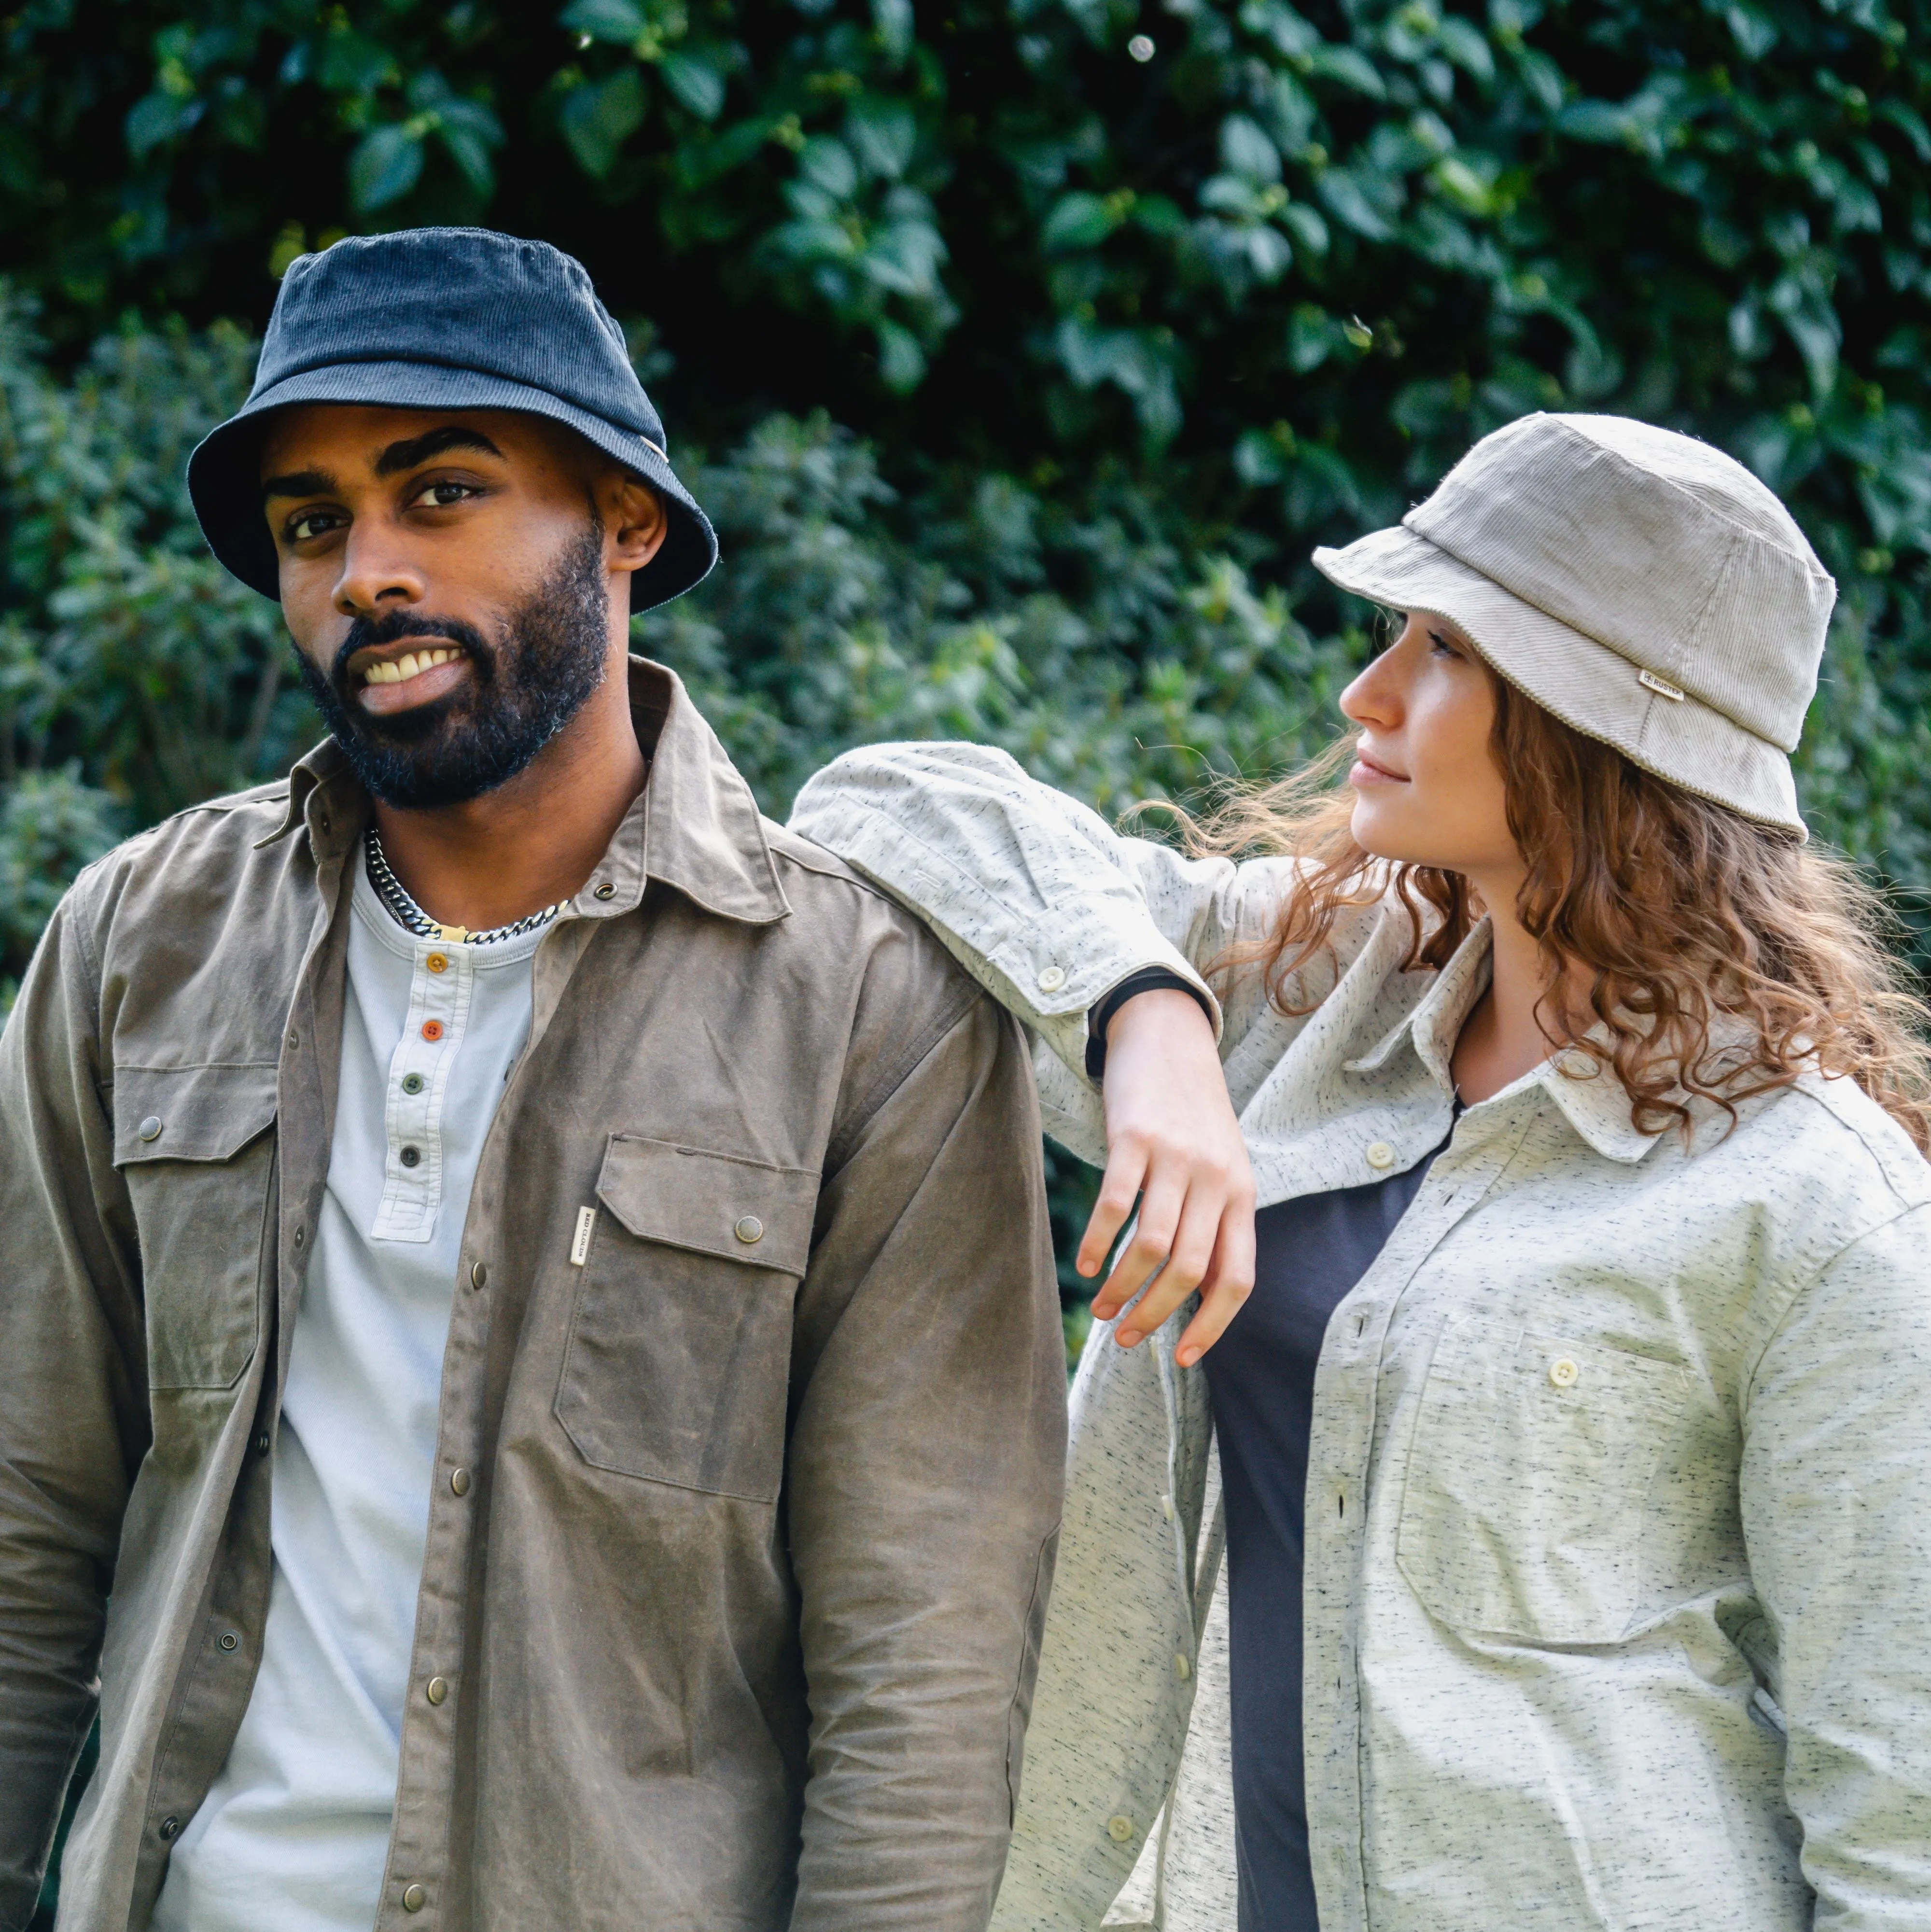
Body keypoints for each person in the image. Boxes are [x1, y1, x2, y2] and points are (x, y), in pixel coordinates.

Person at [0, 227, 1067, 1932]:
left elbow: (925, 1659)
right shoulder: (142, 942)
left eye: (441, 495)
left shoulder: (867, 1004)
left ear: (626, 520)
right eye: (312, 524)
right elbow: (25, 1518)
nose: (366, 572)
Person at [791, 412, 1931, 1931]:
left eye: (1444, 649)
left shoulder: (1810, 1199)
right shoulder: (1320, 994)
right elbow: (880, 804)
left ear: (1601, 728)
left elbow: (1900, 1810)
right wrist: (1151, 1019)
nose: (1366, 691)